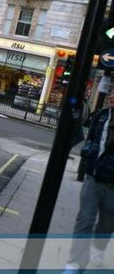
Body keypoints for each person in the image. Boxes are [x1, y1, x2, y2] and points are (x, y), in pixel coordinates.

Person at [64, 91, 114, 272]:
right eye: (112, 92)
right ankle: (74, 264)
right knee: (85, 219)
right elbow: (90, 138)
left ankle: (99, 248)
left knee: (107, 224)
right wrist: (89, 152)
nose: (111, 96)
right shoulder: (101, 116)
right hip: (93, 177)